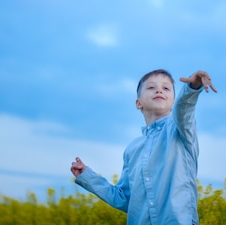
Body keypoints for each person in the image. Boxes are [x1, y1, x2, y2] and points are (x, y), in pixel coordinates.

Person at [71, 69, 217, 225]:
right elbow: (124, 198)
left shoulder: (180, 130)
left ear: (174, 102)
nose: (159, 90)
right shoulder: (132, 149)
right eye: (151, 87)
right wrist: (88, 177)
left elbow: (184, 111)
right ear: (138, 103)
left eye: (166, 88)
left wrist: (191, 89)